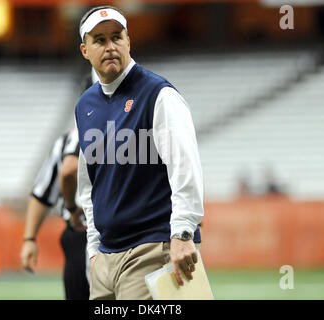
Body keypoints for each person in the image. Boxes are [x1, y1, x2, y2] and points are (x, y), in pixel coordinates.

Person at [75, 6, 204, 300]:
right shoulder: (85, 106)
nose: (110, 47)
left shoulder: (159, 94)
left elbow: (185, 166)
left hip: (152, 249)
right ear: (85, 49)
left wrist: (183, 233)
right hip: (107, 257)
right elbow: (90, 186)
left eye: (116, 37)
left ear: (128, 41)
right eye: (99, 40)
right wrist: (94, 249)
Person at [20, 74, 96, 300]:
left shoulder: (69, 141)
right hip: (94, 234)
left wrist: (29, 240)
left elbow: (44, 192)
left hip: (85, 233)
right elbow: (50, 187)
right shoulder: (79, 137)